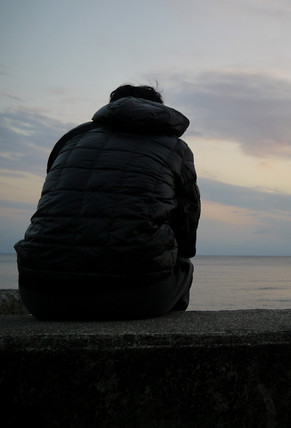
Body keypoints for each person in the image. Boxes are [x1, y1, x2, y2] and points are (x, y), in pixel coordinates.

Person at [14, 84, 201, 320]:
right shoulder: (176, 148)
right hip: (137, 296)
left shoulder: (72, 139)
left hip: (40, 293)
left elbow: (56, 201)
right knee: (183, 264)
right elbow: (186, 222)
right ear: (157, 110)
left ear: (110, 107)